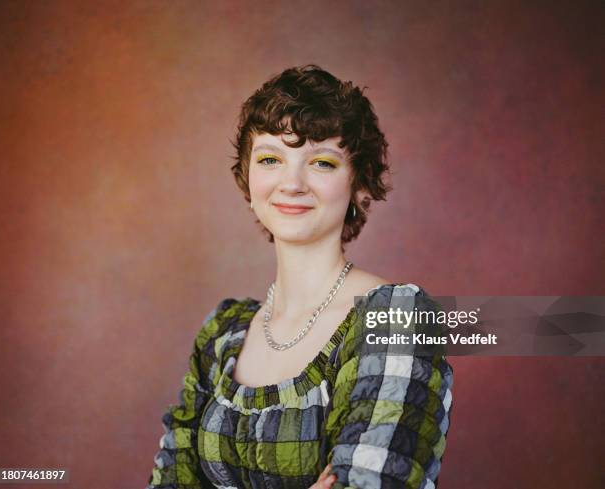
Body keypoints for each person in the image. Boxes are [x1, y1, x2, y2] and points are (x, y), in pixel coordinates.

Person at [146, 65, 453, 489]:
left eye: (322, 163)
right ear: (248, 180)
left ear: (358, 187)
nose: (291, 182)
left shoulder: (396, 318)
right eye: (271, 158)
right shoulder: (223, 333)